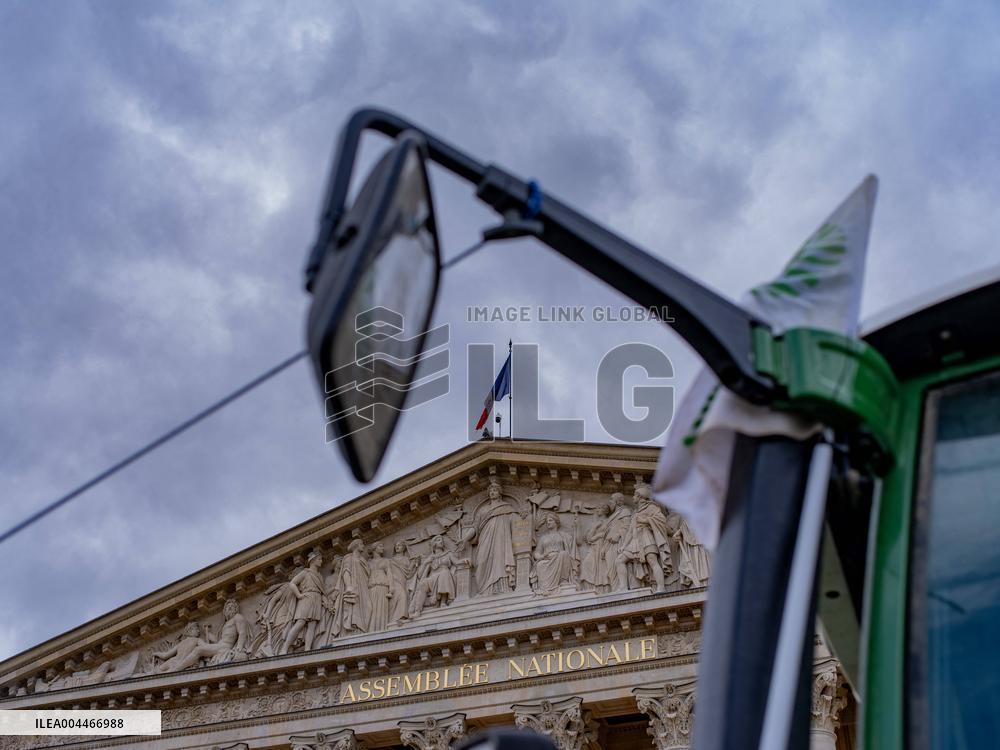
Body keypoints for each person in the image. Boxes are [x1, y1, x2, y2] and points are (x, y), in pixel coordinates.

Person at [471, 478, 518, 595]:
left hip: (501, 539)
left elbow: (517, 523)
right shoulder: (483, 510)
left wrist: (523, 516)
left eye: (495, 490)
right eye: (491, 490)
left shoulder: (507, 507)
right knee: (481, 562)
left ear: (500, 493)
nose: (492, 492)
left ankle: (502, 588)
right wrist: (464, 539)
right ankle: (484, 591)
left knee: (500, 559)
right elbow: (474, 528)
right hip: (484, 540)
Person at [579, 492, 634, 593]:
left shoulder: (625, 511)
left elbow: (628, 526)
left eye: (612, 500)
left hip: (616, 543)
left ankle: (620, 588)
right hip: (607, 545)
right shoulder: (612, 517)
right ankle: (616, 589)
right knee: (610, 569)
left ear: (617, 502)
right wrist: (604, 546)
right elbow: (600, 535)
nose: (610, 502)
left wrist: (618, 535)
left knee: (614, 565)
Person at [624, 482, 673, 592]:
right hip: (636, 540)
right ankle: (623, 587)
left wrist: (645, 520)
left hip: (647, 537)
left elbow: (661, 520)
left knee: (652, 560)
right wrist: (623, 545)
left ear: (639, 496)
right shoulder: (635, 512)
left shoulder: (651, 507)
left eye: (634, 495)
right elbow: (630, 531)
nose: (632, 497)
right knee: (620, 559)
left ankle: (661, 587)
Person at [280, 550, 326, 655]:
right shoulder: (305, 573)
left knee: (312, 625)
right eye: (319, 559)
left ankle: (308, 650)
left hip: (317, 598)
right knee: (300, 623)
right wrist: (299, 595)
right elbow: (292, 583)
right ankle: (284, 648)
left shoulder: (319, 576)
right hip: (307, 597)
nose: (321, 561)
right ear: (313, 561)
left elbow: (322, 592)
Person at [410, 536, 468, 617]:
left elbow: (457, 562)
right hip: (432, 577)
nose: (441, 541)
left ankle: (443, 602)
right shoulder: (430, 557)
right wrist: (425, 562)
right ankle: (417, 611)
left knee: (444, 573)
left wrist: (464, 560)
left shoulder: (448, 554)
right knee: (423, 583)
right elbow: (420, 575)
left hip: (444, 575)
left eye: (442, 540)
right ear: (434, 544)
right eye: (438, 540)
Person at [332, 539, 371, 634]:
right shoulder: (348, 557)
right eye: (361, 544)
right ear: (356, 545)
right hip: (354, 586)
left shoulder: (363, 560)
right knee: (354, 607)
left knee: (368, 606)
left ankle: (363, 629)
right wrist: (349, 585)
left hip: (364, 587)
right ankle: (355, 630)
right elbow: (345, 572)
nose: (363, 546)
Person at [531, 513, 577, 594]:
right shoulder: (543, 538)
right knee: (539, 564)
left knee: (564, 554)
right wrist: (542, 556)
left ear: (556, 522)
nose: (548, 523)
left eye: (550, 520)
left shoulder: (563, 535)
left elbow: (575, 544)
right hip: (546, 560)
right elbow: (536, 552)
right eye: (546, 521)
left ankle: (563, 581)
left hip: (559, 557)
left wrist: (577, 527)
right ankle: (544, 587)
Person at [387, 540, 419, 626]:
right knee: (401, 596)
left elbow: (408, 574)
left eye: (400, 545)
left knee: (402, 597)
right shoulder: (390, 560)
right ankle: (397, 618)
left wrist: (415, 564)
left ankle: (396, 619)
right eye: (396, 545)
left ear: (404, 548)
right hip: (394, 580)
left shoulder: (406, 559)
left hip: (403, 581)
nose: (397, 547)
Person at [368, 542, 393, 632]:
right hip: (371, 589)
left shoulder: (386, 561)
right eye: (380, 546)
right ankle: (370, 631)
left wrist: (391, 588)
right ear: (374, 548)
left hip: (383, 587)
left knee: (381, 610)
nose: (383, 548)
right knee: (371, 609)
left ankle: (381, 630)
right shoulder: (368, 562)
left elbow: (389, 574)